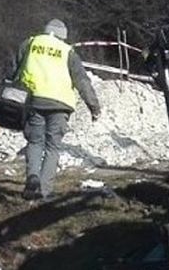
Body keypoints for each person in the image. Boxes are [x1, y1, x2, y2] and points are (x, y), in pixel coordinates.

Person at [9, 19, 101, 200]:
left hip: (33, 100)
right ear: (63, 36)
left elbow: (14, 70)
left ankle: (32, 179)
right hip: (60, 105)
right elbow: (82, 81)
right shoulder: (68, 52)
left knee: (35, 142)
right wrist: (94, 106)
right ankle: (44, 191)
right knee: (53, 147)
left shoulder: (30, 43)